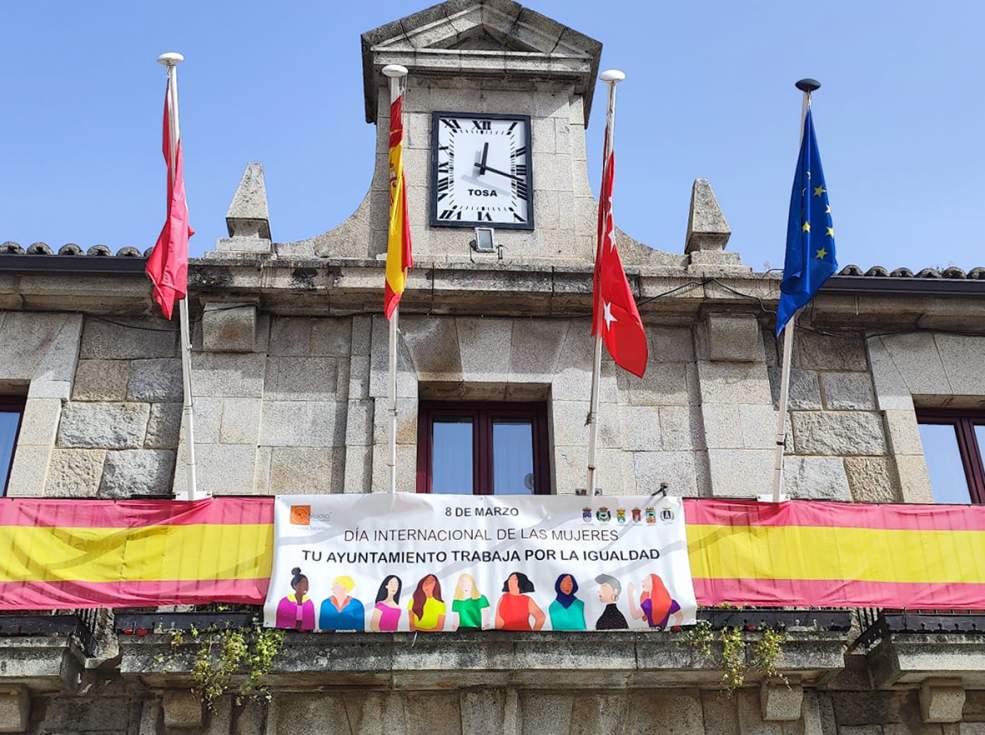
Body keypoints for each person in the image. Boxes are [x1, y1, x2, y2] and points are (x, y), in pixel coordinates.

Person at [275, 567, 316, 631]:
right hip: (288, 632)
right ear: (295, 585)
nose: (306, 585)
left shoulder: (309, 602)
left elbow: (310, 622)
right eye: (303, 583)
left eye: (306, 583)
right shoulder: (285, 601)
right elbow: (282, 620)